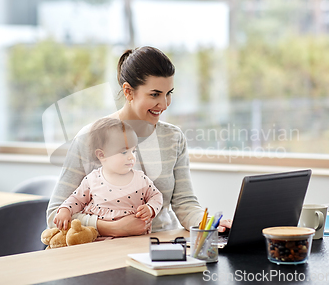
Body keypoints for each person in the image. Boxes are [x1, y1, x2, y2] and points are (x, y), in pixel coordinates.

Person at [47, 46, 229, 236]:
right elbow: (55, 215)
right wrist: (112, 227)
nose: (165, 104)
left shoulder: (173, 138)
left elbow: (185, 204)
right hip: (104, 250)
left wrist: (210, 223)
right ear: (128, 92)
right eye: (155, 94)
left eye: (169, 93)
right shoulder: (91, 137)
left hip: (162, 247)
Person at [53, 118, 163, 233]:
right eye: (124, 152)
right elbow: (76, 199)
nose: (131, 157)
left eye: (133, 151)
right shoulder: (92, 179)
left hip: (134, 239)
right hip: (98, 240)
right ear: (102, 155)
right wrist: (65, 210)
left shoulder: (141, 179)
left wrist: (150, 208)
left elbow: (156, 196)